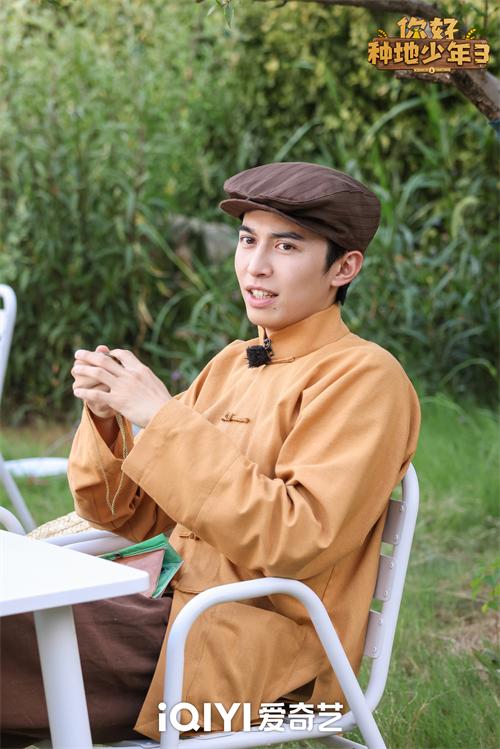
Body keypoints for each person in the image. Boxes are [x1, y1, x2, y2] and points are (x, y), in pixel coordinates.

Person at [1, 162, 420, 746]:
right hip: (157, 602)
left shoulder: (365, 378)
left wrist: (161, 419)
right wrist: (107, 418)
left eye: (287, 246)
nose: (256, 265)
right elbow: (123, 517)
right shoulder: (233, 363)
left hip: (235, 644)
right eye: (248, 240)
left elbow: (294, 538)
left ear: (344, 267)